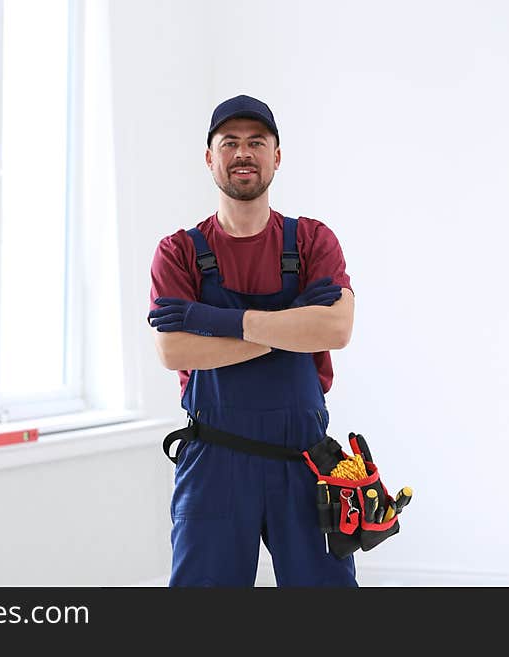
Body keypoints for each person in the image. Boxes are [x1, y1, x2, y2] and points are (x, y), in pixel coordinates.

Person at [147, 94, 357, 587]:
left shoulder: (312, 241)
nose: (244, 153)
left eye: (256, 142)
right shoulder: (178, 252)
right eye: (230, 143)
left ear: (277, 156)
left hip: (305, 463)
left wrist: (214, 320)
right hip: (215, 463)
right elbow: (174, 350)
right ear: (210, 158)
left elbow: (336, 329)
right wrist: (290, 323)